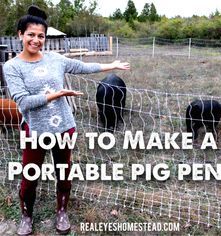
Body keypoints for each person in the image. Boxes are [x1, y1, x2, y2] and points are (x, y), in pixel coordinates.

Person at [3, 5, 130, 236]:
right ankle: (26, 216)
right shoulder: (12, 66)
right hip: (35, 131)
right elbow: (23, 101)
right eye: (31, 34)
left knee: (64, 172)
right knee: (29, 177)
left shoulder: (55, 59)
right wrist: (56, 95)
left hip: (63, 127)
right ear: (20, 34)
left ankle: (62, 211)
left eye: (41, 36)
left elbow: (82, 67)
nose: (36, 40)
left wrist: (110, 65)